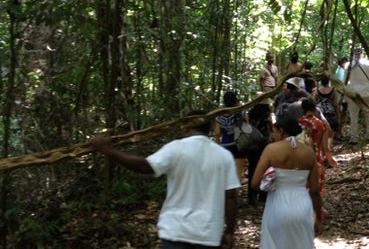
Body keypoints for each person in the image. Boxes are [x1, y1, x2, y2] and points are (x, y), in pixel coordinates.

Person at [89, 110, 240, 248]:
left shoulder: (176, 148)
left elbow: (145, 166)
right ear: (209, 129)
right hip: (208, 234)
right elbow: (231, 196)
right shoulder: (224, 156)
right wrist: (229, 232)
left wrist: (107, 150)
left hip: (176, 231)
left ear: (185, 127)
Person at [251, 114, 323, 248]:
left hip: (277, 205)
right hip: (303, 206)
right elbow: (314, 190)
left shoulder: (271, 150)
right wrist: (318, 217)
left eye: (274, 131)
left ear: (281, 130)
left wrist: (268, 182)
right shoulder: (308, 152)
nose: (272, 135)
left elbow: (254, 183)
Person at [298, 98, 337, 197]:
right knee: (315, 194)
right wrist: (331, 160)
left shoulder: (298, 124)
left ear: (302, 109)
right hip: (316, 161)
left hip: (299, 161)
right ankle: (316, 211)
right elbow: (325, 149)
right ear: (315, 109)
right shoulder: (321, 125)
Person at [246, 92, 274, 205]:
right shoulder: (267, 115)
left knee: (252, 169)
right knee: (265, 169)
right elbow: (270, 129)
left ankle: (251, 197)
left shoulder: (250, 114)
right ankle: (263, 195)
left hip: (252, 145)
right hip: (264, 145)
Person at [346, 49, 369, 144]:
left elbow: (345, 80)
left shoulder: (349, 65)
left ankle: (354, 137)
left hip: (353, 94)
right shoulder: (367, 63)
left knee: (353, 116)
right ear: (362, 54)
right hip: (365, 93)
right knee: (368, 114)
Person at [214, 91, 247, 183]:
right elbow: (248, 126)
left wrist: (217, 147)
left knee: (226, 175)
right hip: (239, 145)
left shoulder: (219, 114)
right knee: (238, 175)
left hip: (225, 146)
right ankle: (236, 193)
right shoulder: (241, 112)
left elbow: (217, 133)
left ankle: (227, 195)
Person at [313, 75, 340, 150]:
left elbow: (313, 102)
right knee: (331, 134)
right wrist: (338, 116)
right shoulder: (333, 90)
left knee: (321, 133)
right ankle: (328, 149)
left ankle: (322, 150)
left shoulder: (317, 90)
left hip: (320, 114)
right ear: (328, 82)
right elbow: (335, 104)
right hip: (330, 114)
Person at [335, 57, 350, 138]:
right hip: (340, 98)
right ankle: (338, 133)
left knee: (341, 115)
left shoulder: (340, 70)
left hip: (341, 97)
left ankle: (339, 132)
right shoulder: (341, 71)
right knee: (340, 115)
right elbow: (341, 85)